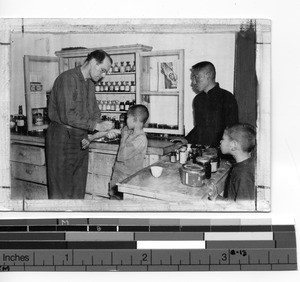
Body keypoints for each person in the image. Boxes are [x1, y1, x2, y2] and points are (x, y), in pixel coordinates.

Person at [46, 49, 114, 199]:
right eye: (102, 70)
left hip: (81, 138)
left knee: (78, 189)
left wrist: (102, 123)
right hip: (62, 138)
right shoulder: (68, 79)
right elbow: (67, 115)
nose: (103, 75)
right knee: (61, 191)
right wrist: (96, 126)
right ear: (92, 62)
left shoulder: (89, 83)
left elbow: (94, 111)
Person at [185, 61, 239, 147]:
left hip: (221, 151)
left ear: (208, 75)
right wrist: (185, 139)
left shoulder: (227, 97)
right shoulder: (198, 99)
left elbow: (232, 130)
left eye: (196, 77)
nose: (194, 82)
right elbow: (199, 127)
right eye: (193, 78)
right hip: (201, 151)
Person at [109, 104, 149, 199]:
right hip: (118, 175)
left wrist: (123, 136)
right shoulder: (130, 131)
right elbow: (123, 132)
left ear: (134, 120)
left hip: (129, 179)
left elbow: (122, 155)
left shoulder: (140, 139)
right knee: (114, 201)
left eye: (127, 117)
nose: (125, 120)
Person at [218, 123, 256, 201]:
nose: (220, 141)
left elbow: (243, 209)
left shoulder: (243, 174)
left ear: (234, 145)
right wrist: (216, 197)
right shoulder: (245, 165)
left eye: (223, 139)